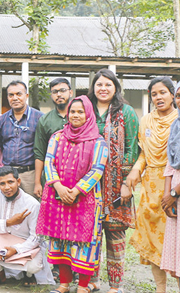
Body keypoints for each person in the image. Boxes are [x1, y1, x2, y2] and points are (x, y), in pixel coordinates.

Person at [37, 96, 108, 293]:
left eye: (80, 111)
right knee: (60, 239)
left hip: (86, 199)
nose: (76, 115)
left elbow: (97, 169)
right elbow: (48, 161)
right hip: (57, 197)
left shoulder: (98, 141)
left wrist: (76, 190)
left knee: (85, 242)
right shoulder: (57, 136)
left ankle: (83, 286)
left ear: (88, 114)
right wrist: (59, 187)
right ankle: (64, 284)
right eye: (72, 111)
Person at [87, 69, 140, 293]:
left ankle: (115, 285)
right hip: (89, 184)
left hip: (117, 186)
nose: (103, 88)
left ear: (115, 88)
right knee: (90, 236)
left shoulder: (126, 112)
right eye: (99, 84)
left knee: (115, 236)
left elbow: (132, 148)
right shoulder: (86, 110)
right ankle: (91, 281)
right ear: (93, 87)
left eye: (108, 85)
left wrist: (126, 183)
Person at [125, 77, 178, 293]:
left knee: (175, 242)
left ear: (173, 95)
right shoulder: (145, 121)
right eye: (154, 94)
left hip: (174, 185)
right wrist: (136, 168)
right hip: (149, 189)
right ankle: (160, 289)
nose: (158, 97)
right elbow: (144, 155)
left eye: (163, 92)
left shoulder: (179, 120)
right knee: (154, 240)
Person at [0, 166, 52, 288]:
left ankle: (28, 275)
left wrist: (16, 249)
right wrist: (8, 223)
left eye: (10, 182)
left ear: (18, 182)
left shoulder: (32, 204)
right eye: (2, 184)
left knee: (34, 267)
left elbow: (36, 238)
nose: (7, 187)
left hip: (26, 245)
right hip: (3, 239)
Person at [0, 80, 43, 196]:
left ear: (26, 96)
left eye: (19, 94)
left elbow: (42, 149)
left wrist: (38, 181)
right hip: (8, 174)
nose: (15, 98)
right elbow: (1, 145)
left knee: (32, 209)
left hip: (30, 174)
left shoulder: (39, 118)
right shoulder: (2, 120)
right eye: (11, 95)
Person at [34, 78, 73, 199]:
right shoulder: (45, 120)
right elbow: (39, 152)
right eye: (55, 92)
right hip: (52, 175)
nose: (59, 94)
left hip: (76, 174)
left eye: (62, 90)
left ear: (70, 93)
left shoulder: (80, 115)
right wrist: (37, 183)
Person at [161, 81, 180, 288]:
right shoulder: (176, 126)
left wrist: (173, 193)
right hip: (175, 195)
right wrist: (167, 196)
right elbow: (170, 161)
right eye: (179, 96)